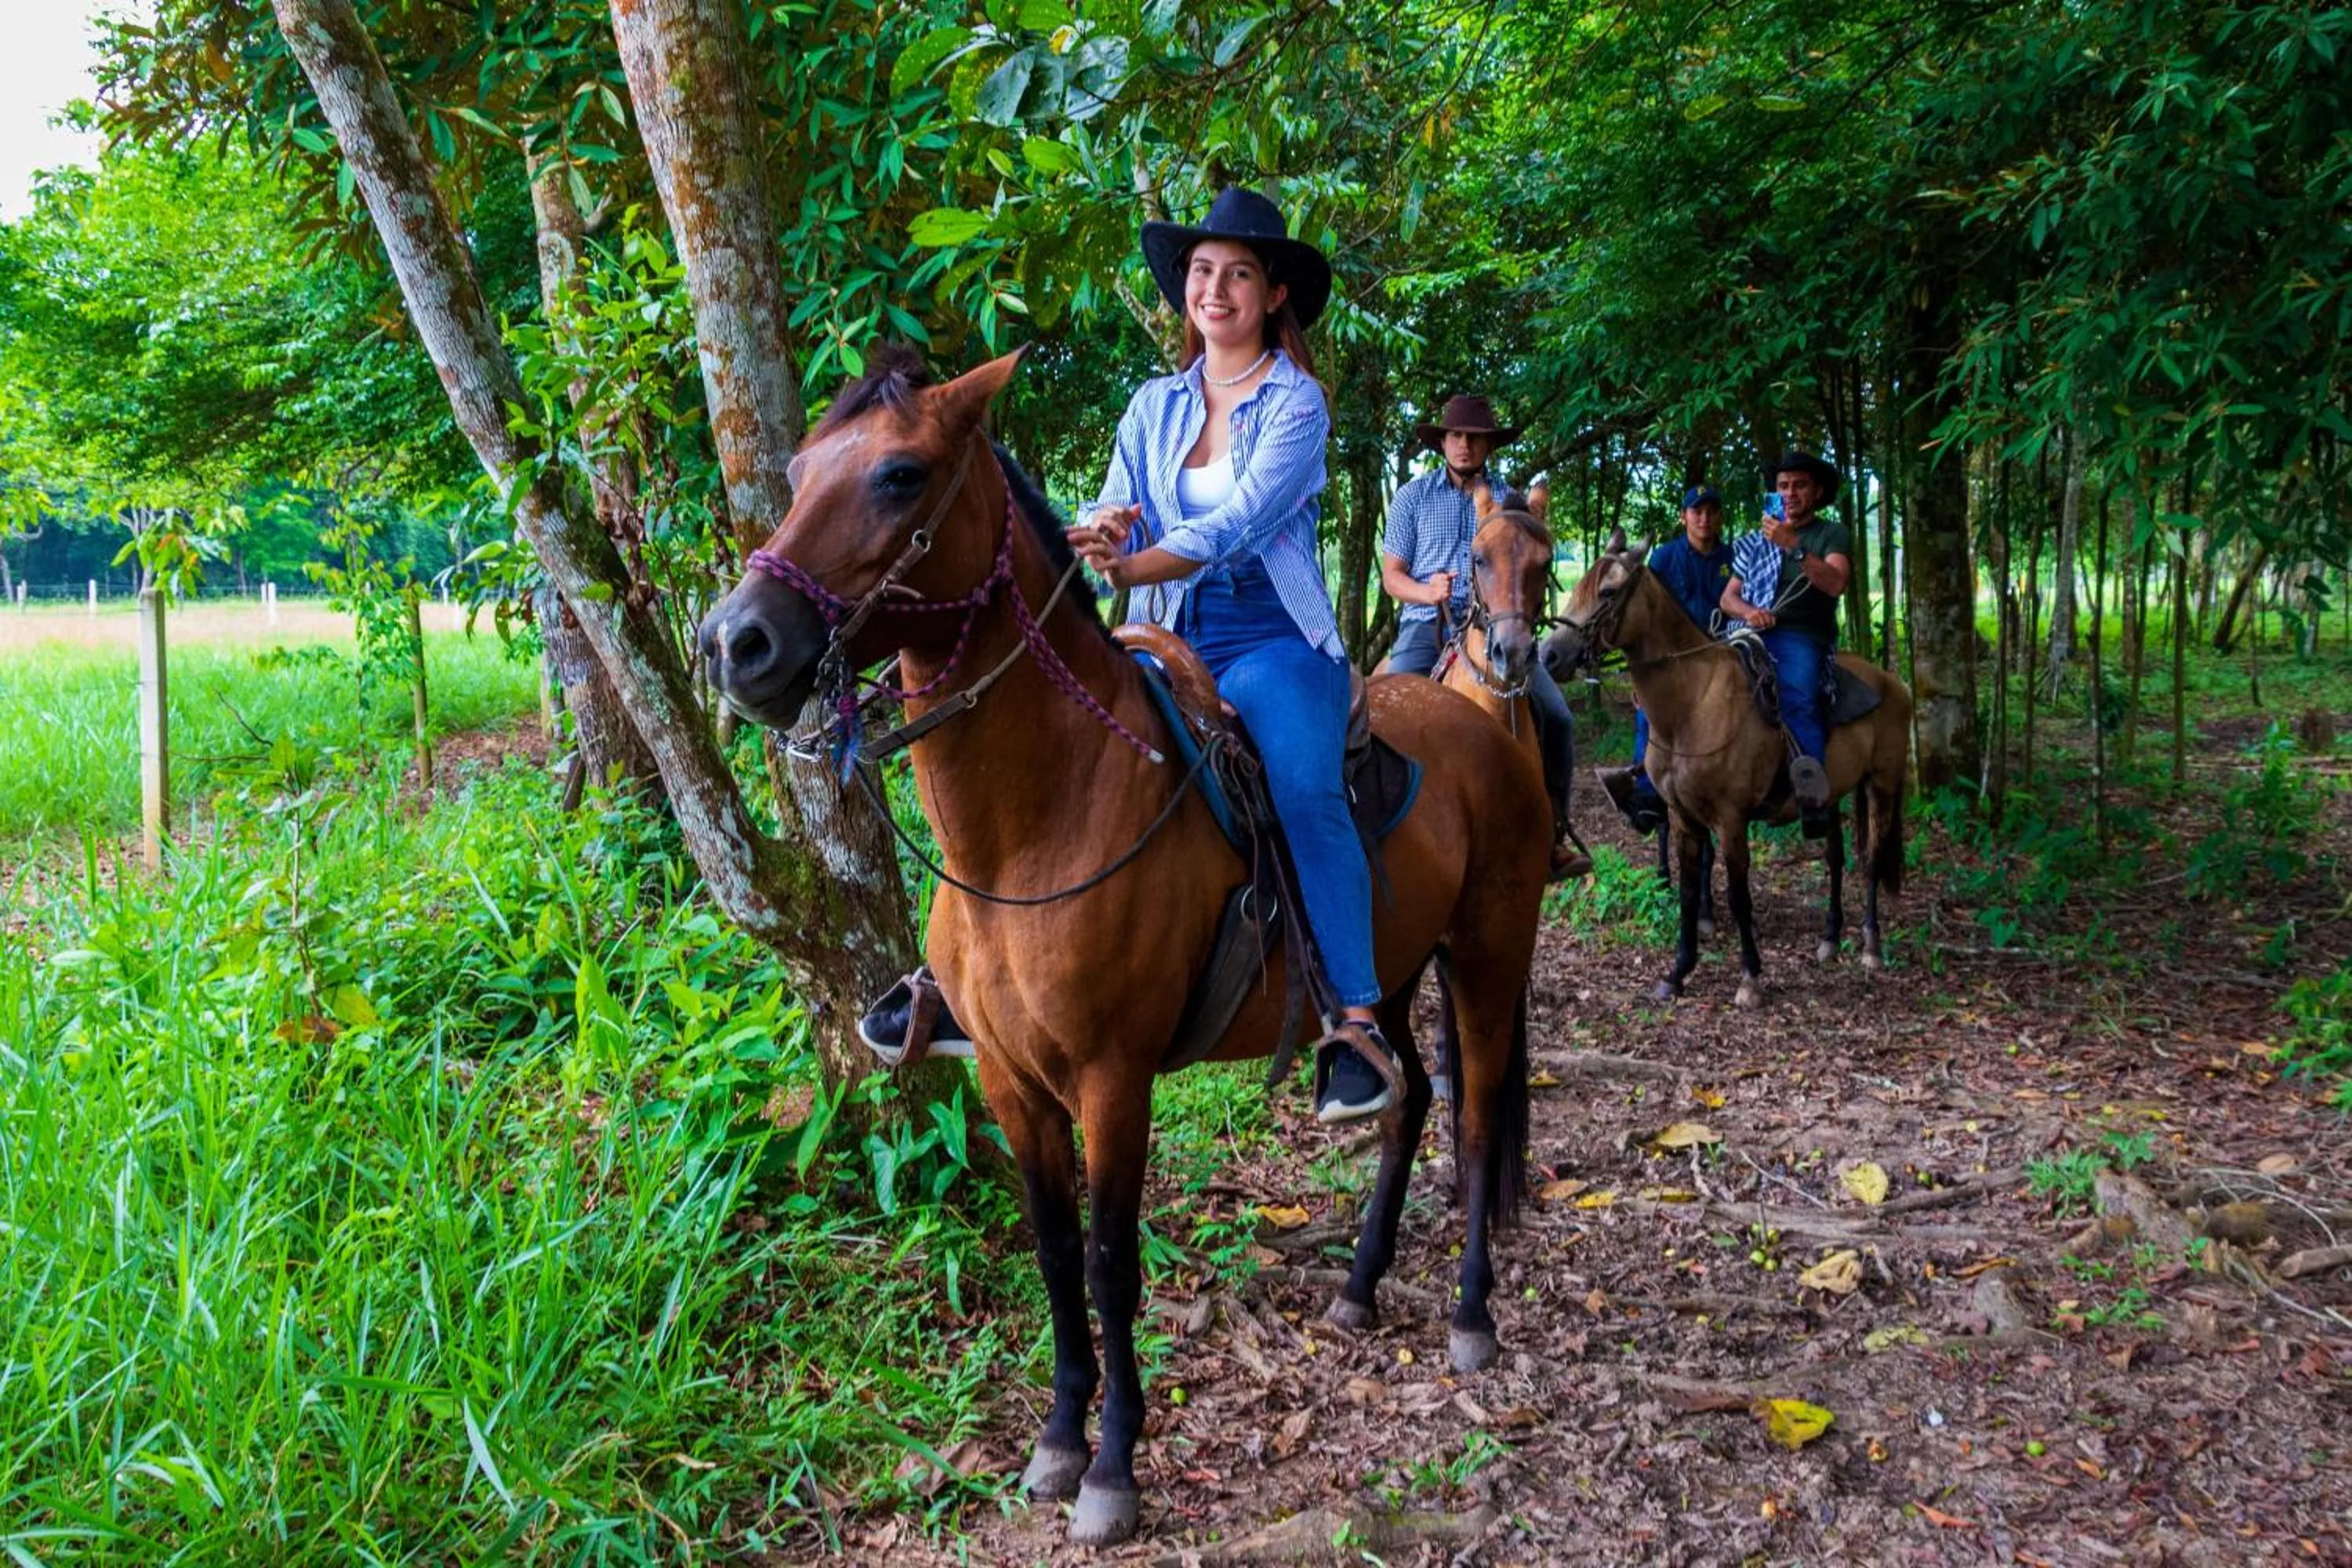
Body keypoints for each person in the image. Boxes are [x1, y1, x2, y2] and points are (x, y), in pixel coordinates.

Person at [1066, 186, 1397, 1124]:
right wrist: (1100, 527)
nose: (1215, 289)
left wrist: (1130, 561)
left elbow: (1238, 522)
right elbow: (1113, 495)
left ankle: (1357, 1019)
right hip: (1167, 627)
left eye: (1239, 274)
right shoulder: (1153, 403)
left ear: (1274, 294)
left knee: (1302, 785)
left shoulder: (1297, 403)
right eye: (1202, 271)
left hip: (1269, 636)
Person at [1378, 394, 1588, 879]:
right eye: (1456, 435)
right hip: (1425, 625)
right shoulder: (1413, 497)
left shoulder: (1510, 501)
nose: (1465, 444)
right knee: (1383, 714)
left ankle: (1553, 835)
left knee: (1557, 718)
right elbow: (1392, 576)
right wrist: (1427, 590)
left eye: (1475, 437)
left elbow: (1531, 565)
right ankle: (1376, 828)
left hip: (1497, 627)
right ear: (1443, 442)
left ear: (1489, 444)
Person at [1719, 448, 1853, 838]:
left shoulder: (1830, 533)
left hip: (1802, 634)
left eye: (1799, 486)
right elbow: (1728, 598)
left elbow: (1835, 583)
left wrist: (1792, 544)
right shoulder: (1760, 538)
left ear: (1817, 491)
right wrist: (1748, 613)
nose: (1790, 493)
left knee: (1799, 696)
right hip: (1751, 630)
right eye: (1783, 486)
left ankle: (1813, 796)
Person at [1595, 484, 1736, 833]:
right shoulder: (1665, 558)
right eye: (1696, 511)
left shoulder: (1733, 558)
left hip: (1722, 658)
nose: (1704, 518)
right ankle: (1647, 794)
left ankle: (1739, 778)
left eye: (1710, 511)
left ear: (1719, 516)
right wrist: (1640, 679)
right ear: (1684, 516)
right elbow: (1646, 621)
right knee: (1649, 714)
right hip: (1673, 663)